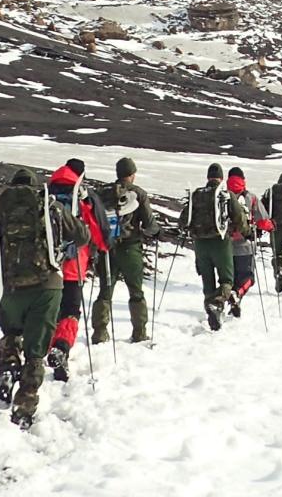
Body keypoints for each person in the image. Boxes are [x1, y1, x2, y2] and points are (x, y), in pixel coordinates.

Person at [0, 167, 81, 429]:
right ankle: (24, 408)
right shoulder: (48, 206)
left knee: (11, 335)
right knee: (35, 351)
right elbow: (81, 235)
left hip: (11, 289)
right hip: (46, 287)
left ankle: (7, 369)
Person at [46, 158, 107, 382]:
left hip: (49, 263)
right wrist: (102, 248)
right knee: (70, 310)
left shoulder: (47, 193)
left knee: (50, 309)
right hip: (74, 265)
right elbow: (97, 231)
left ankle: (46, 346)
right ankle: (61, 347)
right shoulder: (82, 196)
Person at [92, 156, 162, 345]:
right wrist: (155, 232)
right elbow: (149, 224)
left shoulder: (101, 193)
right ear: (132, 174)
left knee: (105, 291)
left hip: (107, 248)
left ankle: (99, 332)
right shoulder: (138, 193)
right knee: (136, 291)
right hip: (130, 248)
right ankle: (139, 332)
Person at [178, 161, 249, 331]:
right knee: (227, 280)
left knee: (207, 280)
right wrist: (246, 232)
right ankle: (216, 305)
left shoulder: (197, 195)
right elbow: (239, 219)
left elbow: (183, 220)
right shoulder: (225, 195)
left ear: (208, 177)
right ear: (221, 178)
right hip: (221, 242)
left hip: (200, 244)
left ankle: (212, 310)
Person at [225, 166, 271, 318]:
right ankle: (237, 295)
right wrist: (270, 227)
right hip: (246, 246)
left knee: (228, 279)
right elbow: (263, 221)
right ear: (243, 179)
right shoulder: (250, 197)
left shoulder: (222, 196)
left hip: (224, 247)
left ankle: (228, 303)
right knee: (248, 279)